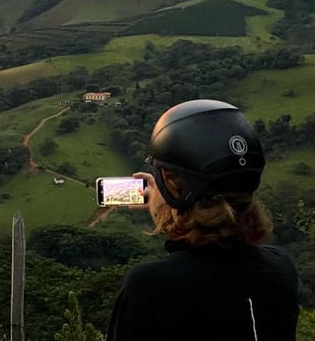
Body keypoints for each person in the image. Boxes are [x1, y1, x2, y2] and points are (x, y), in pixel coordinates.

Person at [106, 99, 299, 340]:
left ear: (174, 189)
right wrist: (173, 200)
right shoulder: (280, 268)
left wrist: (168, 209)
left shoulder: (148, 286)